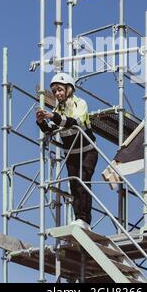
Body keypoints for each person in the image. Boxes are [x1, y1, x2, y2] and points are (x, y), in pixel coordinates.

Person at [36, 72, 98, 231]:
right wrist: (42, 122)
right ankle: (78, 218)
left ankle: (85, 220)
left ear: (69, 89)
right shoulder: (57, 109)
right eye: (55, 90)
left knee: (83, 182)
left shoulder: (80, 103)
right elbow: (51, 130)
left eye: (60, 89)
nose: (57, 93)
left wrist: (54, 117)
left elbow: (74, 122)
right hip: (71, 152)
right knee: (74, 184)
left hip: (87, 151)